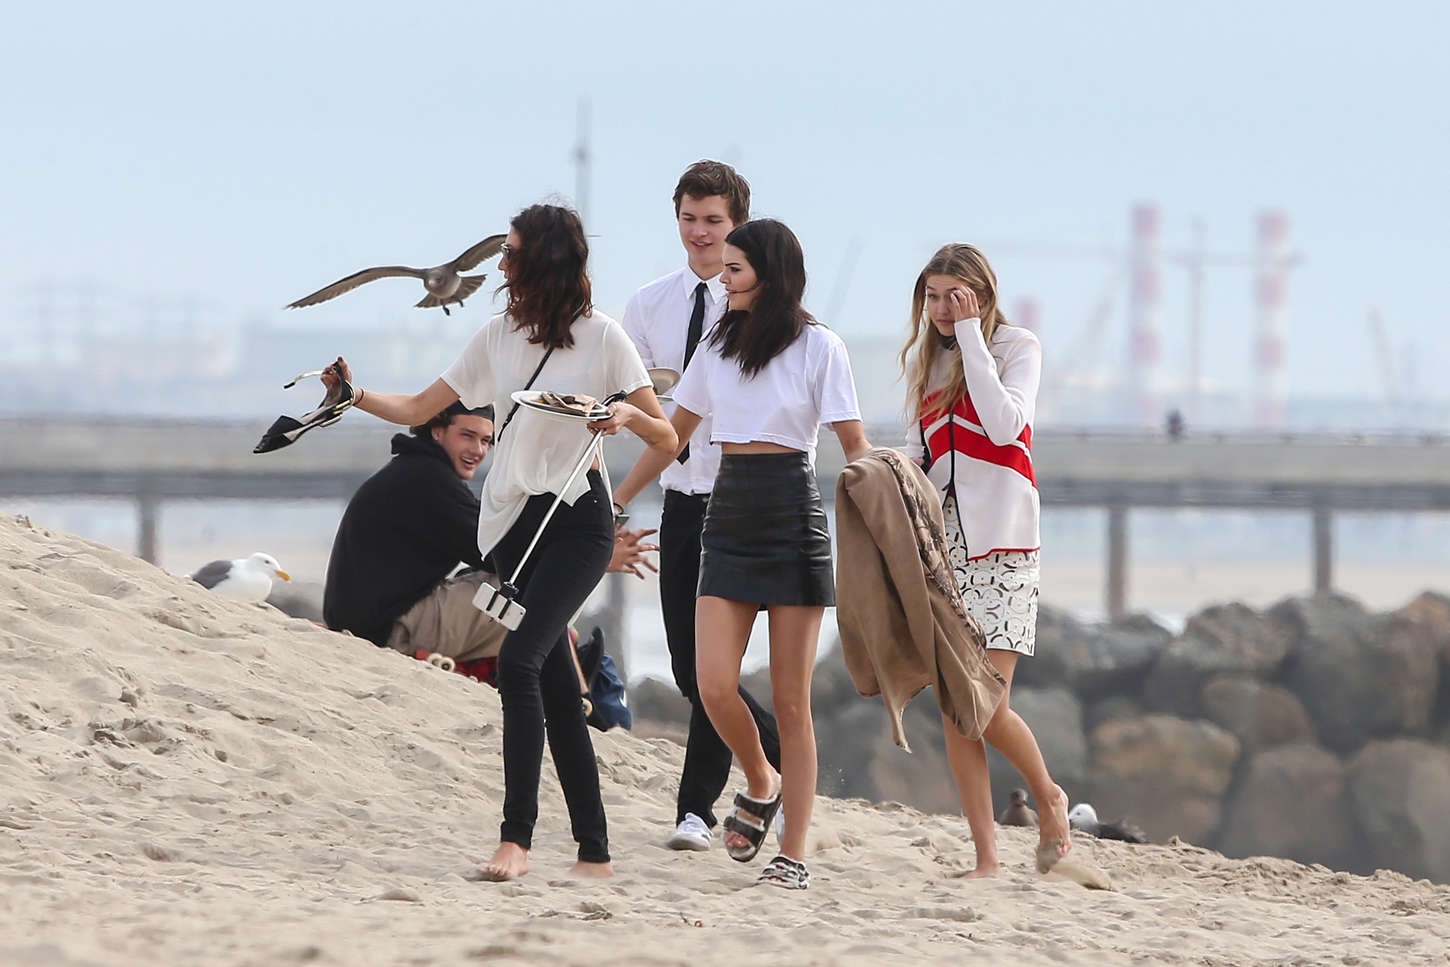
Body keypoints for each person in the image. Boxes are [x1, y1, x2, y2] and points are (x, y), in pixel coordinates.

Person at [320, 203, 677, 882]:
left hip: (577, 518)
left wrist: (627, 414)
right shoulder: (496, 336)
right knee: (548, 675)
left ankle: (515, 838)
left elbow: (666, 436)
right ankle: (595, 853)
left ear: (544, 262)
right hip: (513, 525)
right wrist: (353, 393)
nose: (500, 266)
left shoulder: (605, 339)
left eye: (511, 255)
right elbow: (422, 408)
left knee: (518, 659)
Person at [614, 219, 869, 890]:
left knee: (791, 699)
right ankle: (761, 776)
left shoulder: (821, 347)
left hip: (792, 513)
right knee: (713, 683)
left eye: (734, 270)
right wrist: (621, 467)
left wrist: (889, 509)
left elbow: (854, 445)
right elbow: (673, 435)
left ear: (770, 275)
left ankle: (794, 853)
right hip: (727, 514)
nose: (721, 280)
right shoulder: (717, 345)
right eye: (722, 269)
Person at [615, 160, 782, 852]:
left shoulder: (761, 313)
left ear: (738, 223)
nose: (700, 233)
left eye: (714, 221)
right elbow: (642, 409)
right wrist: (617, 498)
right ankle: (777, 757)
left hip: (742, 503)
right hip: (681, 499)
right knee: (692, 671)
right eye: (689, 218)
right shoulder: (648, 306)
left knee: (717, 670)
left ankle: (696, 809)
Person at [899, 242, 1071, 877]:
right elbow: (922, 457)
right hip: (946, 555)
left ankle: (1048, 796)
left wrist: (972, 335)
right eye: (935, 297)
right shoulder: (928, 362)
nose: (943, 309)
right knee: (954, 712)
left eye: (956, 296)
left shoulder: (1014, 348)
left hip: (1003, 547)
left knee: (986, 706)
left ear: (983, 294)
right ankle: (987, 858)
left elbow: (1005, 427)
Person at [322, 401, 658, 697]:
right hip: (389, 629)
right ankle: (578, 699)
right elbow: (501, 555)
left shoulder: (418, 471)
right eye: (467, 436)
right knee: (532, 592)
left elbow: (493, 545)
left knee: (526, 589)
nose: (478, 450)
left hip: (371, 618)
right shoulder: (430, 482)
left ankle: (565, 688)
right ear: (436, 431)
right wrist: (593, 559)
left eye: (486, 441)